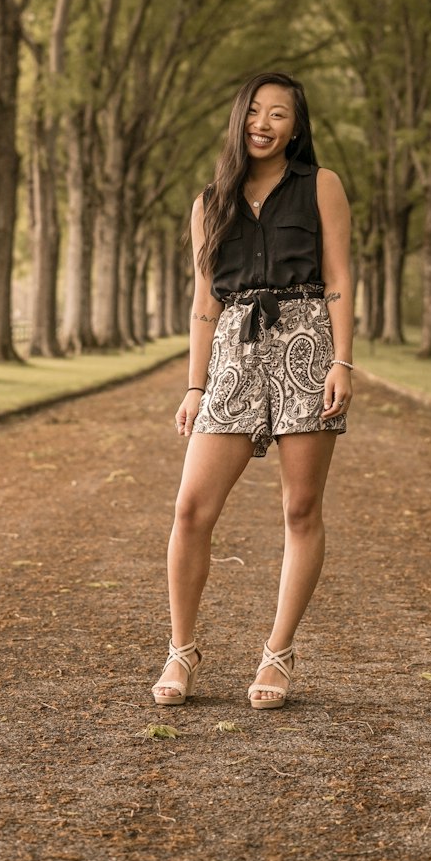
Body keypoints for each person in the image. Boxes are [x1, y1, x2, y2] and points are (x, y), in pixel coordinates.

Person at [152, 71, 354, 710]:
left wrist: (342, 362)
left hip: (305, 345)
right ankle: (181, 650)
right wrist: (194, 385)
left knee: (300, 510)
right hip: (235, 350)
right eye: (255, 113)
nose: (264, 124)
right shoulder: (209, 202)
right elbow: (204, 302)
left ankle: (278, 652)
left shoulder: (322, 186)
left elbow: (339, 278)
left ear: (297, 126)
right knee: (191, 511)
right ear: (239, 119)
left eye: (279, 114)